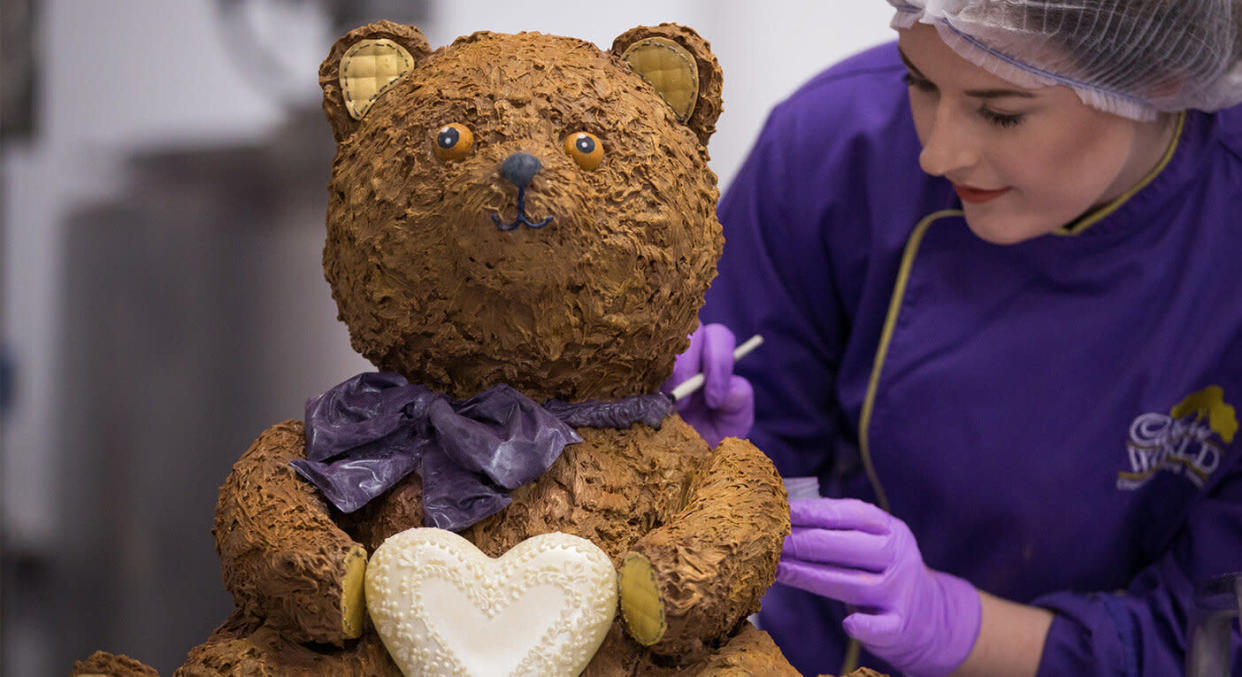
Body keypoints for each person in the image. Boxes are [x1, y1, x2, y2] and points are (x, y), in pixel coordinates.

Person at [667, 1, 1242, 675]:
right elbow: (745, 505)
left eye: (1000, 112)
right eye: (918, 80)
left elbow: (1209, 636)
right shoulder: (830, 148)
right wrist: (704, 456)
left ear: (1162, 76)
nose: (938, 153)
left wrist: (957, 625)